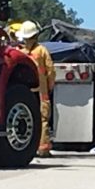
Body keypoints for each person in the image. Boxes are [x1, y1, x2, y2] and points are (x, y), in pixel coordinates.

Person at [16, 20, 56, 157]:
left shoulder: (19, 52)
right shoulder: (42, 51)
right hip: (41, 91)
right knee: (43, 119)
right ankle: (43, 148)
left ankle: (28, 146)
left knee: (27, 118)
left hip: (24, 91)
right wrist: (50, 86)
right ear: (36, 36)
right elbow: (50, 70)